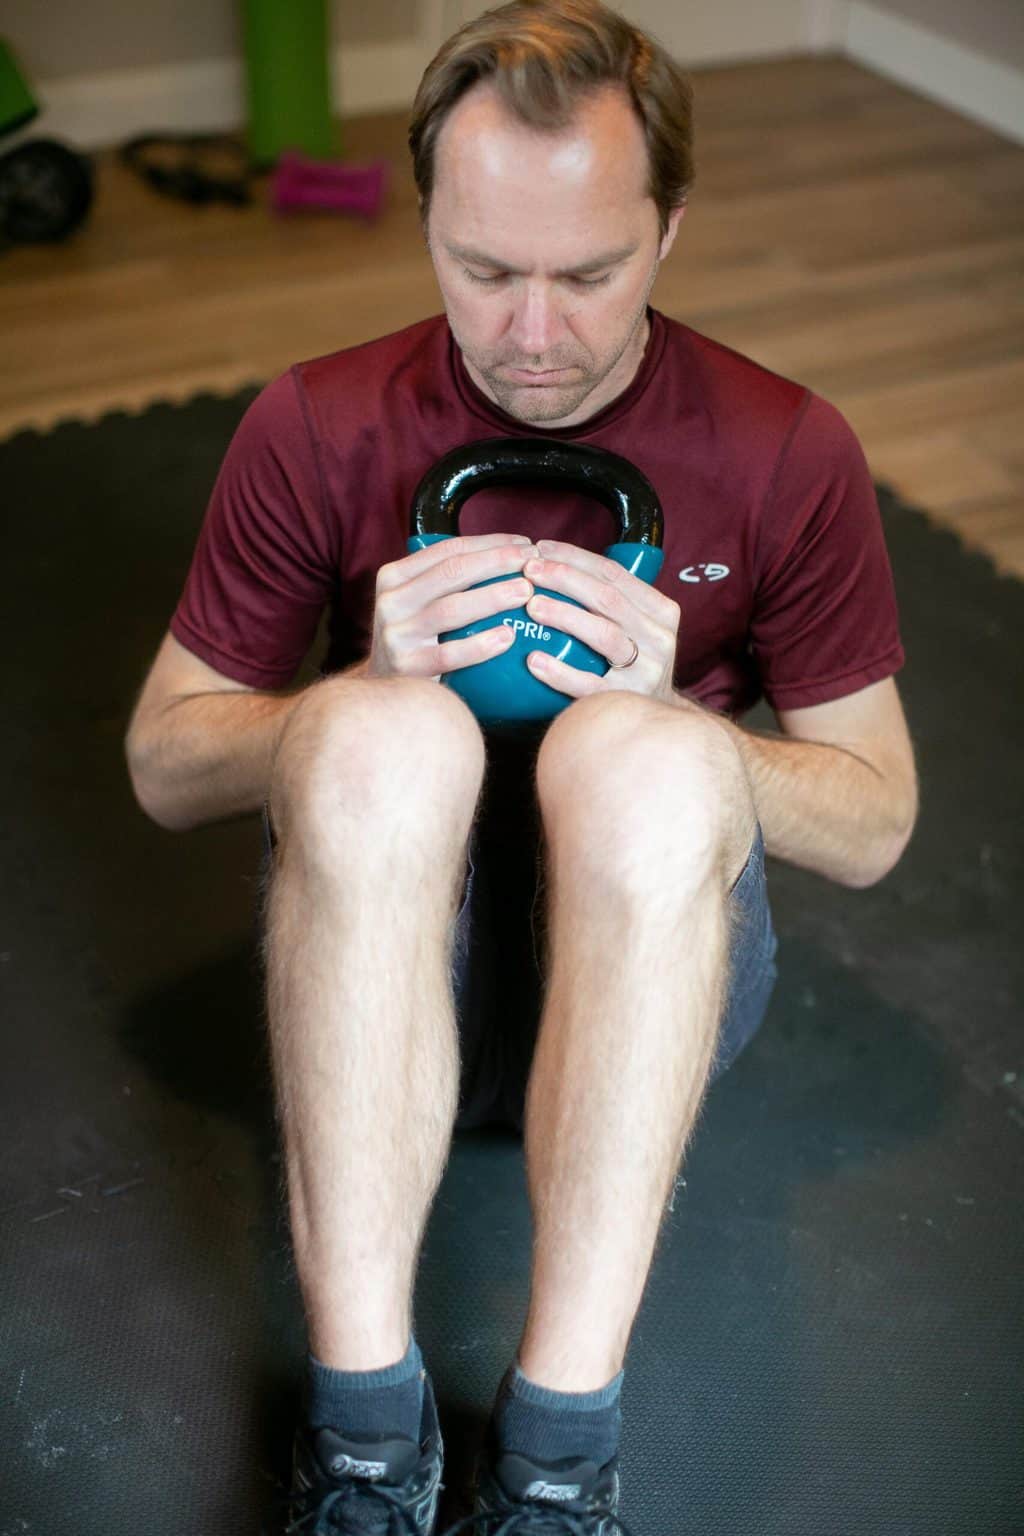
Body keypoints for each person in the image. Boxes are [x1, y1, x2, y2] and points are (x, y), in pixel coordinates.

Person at [124, 1, 919, 1530]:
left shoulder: (784, 449)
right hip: (365, 983)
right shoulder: (316, 423)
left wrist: (681, 716)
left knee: (642, 759)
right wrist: (355, 679)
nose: (533, 337)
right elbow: (167, 758)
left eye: (588, 274)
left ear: (670, 230)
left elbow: (875, 817)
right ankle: (364, 1438)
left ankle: (559, 1456)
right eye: (484, 272)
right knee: (373, 730)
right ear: (427, 222)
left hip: (649, 993)